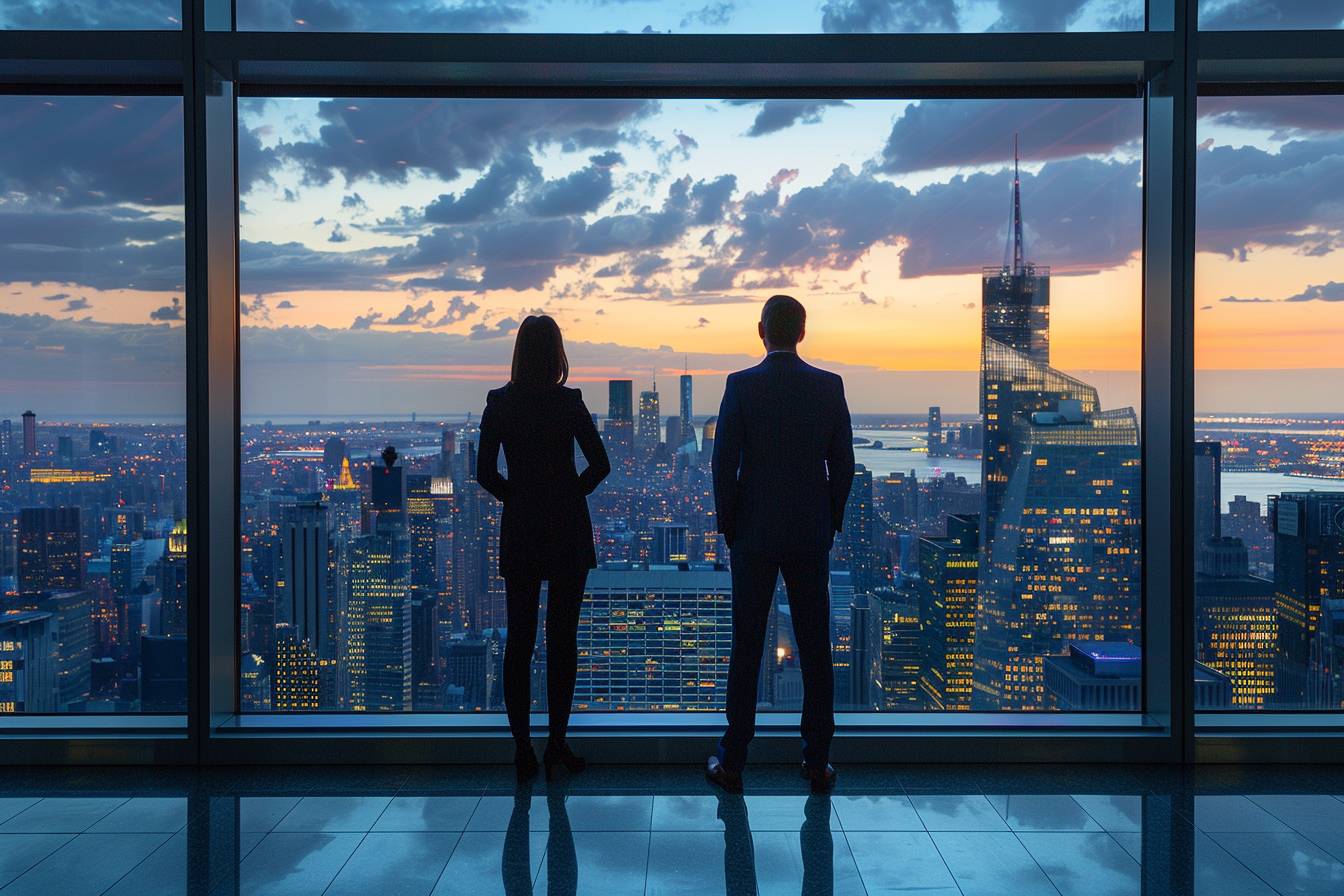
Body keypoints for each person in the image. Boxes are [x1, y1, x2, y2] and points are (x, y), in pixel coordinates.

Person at [706, 294, 854, 794]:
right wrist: (829, 521)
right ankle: (817, 761)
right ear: (803, 332)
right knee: (815, 646)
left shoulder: (741, 384)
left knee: (746, 645)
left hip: (753, 531)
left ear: (761, 331)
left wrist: (729, 524)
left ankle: (733, 760)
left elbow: (724, 461)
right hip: (809, 532)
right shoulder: (828, 386)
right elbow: (844, 463)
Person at [477, 314, 611, 782]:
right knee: (562, 640)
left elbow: (484, 473)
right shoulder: (569, 403)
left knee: (520, 640)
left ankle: (522, 749)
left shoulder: (500, 403)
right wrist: (569, 494)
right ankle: (557, 743)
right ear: (557, 354)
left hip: (522, 530)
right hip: (567, 529)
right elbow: (600, 465)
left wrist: (517, 498)